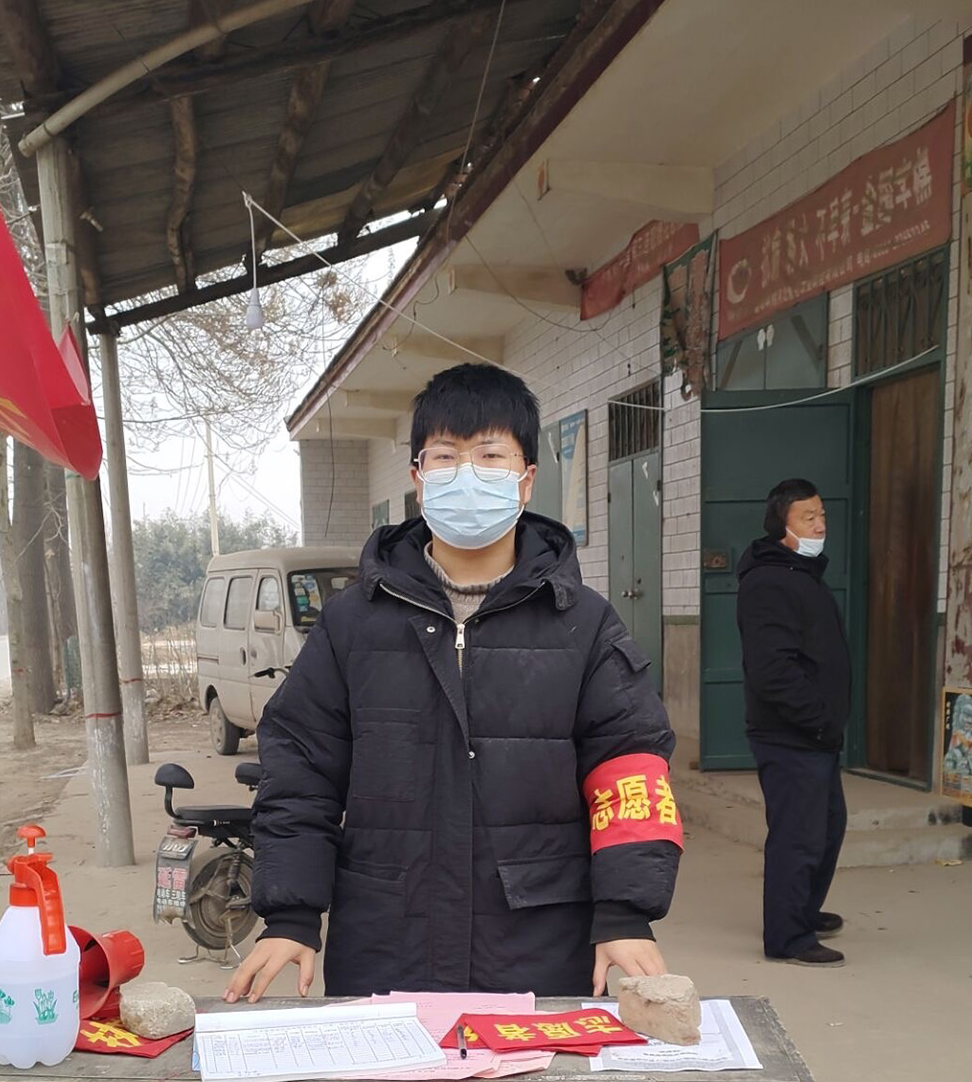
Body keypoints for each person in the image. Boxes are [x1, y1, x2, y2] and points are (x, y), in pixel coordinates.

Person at [226, 363, 682, 1003]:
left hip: (540, 944)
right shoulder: (353, 623)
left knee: (531, 1072)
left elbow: (629, 765)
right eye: (446, 456)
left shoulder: (582, 624)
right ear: (418, 479)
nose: (467, 473)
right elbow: (301, 765)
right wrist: (292, 913)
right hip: (387, 940)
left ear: (526, 479)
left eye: (490, 455)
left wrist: (624, 911)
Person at [735, 477, 850, 968]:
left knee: (827, 826)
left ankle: (802, 910)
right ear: (782, 526)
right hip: (791, 734)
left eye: (822, 515)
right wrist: (818, 720)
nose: (820, 525)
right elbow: (772, 669)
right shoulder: (769, 582)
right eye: (808, 517)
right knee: (798, 835)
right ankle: (788, 936)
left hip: (814, 735)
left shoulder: (802, 574)